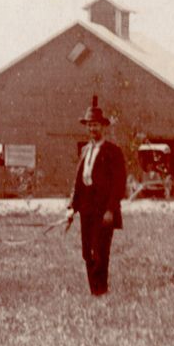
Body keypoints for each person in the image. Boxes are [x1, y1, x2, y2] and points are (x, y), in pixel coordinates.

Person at [65, 96, 127, 296]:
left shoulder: (113, 151)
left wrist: (110, 210)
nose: (92, 128)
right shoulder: (85, 150)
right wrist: (71, 208)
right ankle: (94, 292)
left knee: (100, 252)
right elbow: (78, 182)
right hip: (86, 210)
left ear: (103, 126)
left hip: (103, 211)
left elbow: (119, 185)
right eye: (90, 125)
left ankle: (101, 291)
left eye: (96, 125)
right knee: (87, 253)